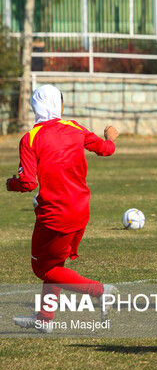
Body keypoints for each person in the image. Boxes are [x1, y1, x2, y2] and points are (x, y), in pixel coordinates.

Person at [7, 85, 119, 333]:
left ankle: (101, 291)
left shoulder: (31, 138)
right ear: (59, 106)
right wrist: (110, 138)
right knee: (56, 265)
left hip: (54, 216)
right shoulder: (75, 128)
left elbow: (27, 183)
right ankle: (44, 319)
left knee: (44, 269)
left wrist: (10, 184)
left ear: (35, 106)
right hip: (80, 211)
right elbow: (105, 149)